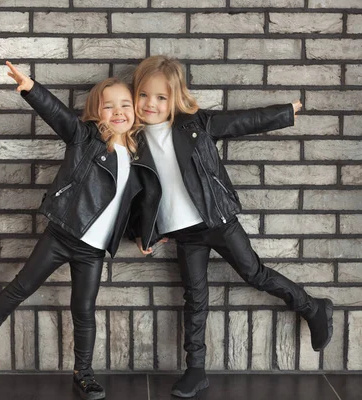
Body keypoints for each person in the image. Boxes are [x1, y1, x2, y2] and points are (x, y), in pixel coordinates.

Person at [128, 55, 334, 398]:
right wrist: (141, 232)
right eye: (144, 96)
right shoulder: (134, 141)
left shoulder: (194, 124)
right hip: (183, 233)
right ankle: (195, 371)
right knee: (194, 298)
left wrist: (284, 113)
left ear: (175, 98)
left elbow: (240, 122)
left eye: (161, 97)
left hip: (219, 220)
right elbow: (137, 195)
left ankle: (312, 307)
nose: (151, 104)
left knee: (255, 274)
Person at [0, 61, 141, 400]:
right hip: (61, 235)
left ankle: (83, 374)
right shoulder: (85, 138)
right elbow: (58, 115)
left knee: (84, 312)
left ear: (134, 110)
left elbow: (136, 205)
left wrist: (146, 236)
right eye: (109, 106)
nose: (118, 111)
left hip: (93, 250)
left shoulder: (136, 154)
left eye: (125, 105)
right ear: (96, 112)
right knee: (21, 286)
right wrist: (32, 88)